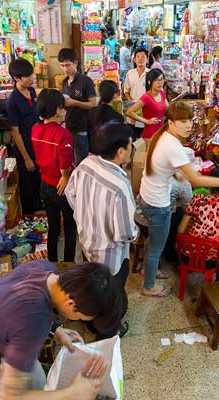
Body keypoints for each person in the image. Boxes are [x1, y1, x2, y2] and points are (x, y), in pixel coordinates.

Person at [0, 260, 126, 399]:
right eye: (81, 317)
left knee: (36, 381)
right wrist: (72, 393)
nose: (78, 320)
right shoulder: (33, 322)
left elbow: (19, 313)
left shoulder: (45, 270)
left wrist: (56, 329)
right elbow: (9, 396)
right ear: (71, 303)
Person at [138, 101, 219, 297]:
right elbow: (196, 179)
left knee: (153, 243)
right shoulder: (172, 145)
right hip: (158, 204)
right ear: (171, 123)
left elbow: (173, 169)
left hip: (149, 196)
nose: (189, 125)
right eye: (183, 121)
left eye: (190, 120)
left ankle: (148, 269)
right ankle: (148, 286)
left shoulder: (164, 137)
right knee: (156, 247)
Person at [66, 122, 136, 338]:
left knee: (92, 288)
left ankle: (91, 320)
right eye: (131, 144)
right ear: (120, 151)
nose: (133, 148)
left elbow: (70, 194)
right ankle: (107, 330)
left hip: (87, 241)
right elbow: (125, 232)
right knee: (110, 294)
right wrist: (137, 234)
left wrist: (87, 218)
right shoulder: (120, 185)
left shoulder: (86, 164)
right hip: (110, 254)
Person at [31, 89, 77, 264]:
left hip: (44, 183)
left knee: (53, 225)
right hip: (61, 186)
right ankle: (68, 264)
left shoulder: (35, 129)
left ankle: (52, 261)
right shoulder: (62, 134)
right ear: (57, 109)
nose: (65, 111)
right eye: (63, 108)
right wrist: (65, 176)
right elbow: (65, 161)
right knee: (70, 227)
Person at [177, 166, 219, 280]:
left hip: (188, 256)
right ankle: (218, 284)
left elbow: (180, 230)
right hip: (213, 262)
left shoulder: (197, 199)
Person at [6, 58, 42, 214]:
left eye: (31, 75)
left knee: (37, 178)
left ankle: (38, 206)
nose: (31, 79)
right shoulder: (12, 101)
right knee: (27, 183)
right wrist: (26, 157)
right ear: (16, 78)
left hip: (37, 143)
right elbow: (15, 131)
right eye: (27, 76)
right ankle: (28, 214)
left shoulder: (32, 91)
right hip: (24, 147)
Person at [58, 48, 97, 165]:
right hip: (68, 126)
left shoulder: (86, 81)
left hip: (82, 128)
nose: (65, 69)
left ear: (75, 63)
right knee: (71, 161)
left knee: (81, 162)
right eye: (62, 65)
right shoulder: (64, 82)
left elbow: (93, 104)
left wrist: (75, 103)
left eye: (67, 65)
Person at [125, 68, 167, 147]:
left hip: (161, 131)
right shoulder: (146, 97)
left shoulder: (161, 93)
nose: (160, 82)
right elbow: (129, 112)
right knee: (150, 157)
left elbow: (167, 109)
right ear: (149, 82)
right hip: (150, 134)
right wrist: (146, 121)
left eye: (162, 79)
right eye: (157, 80)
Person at [123, 48, 149, 139]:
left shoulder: (150, 74)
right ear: (134, 60)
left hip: (147, 111)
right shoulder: (130, 73)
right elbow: (126, 91)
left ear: (147, 59)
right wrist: (132, 103)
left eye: (143, 57)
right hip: (133, 111)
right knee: (133, 137)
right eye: (138, 57)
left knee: (145, 138)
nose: (140, 59)